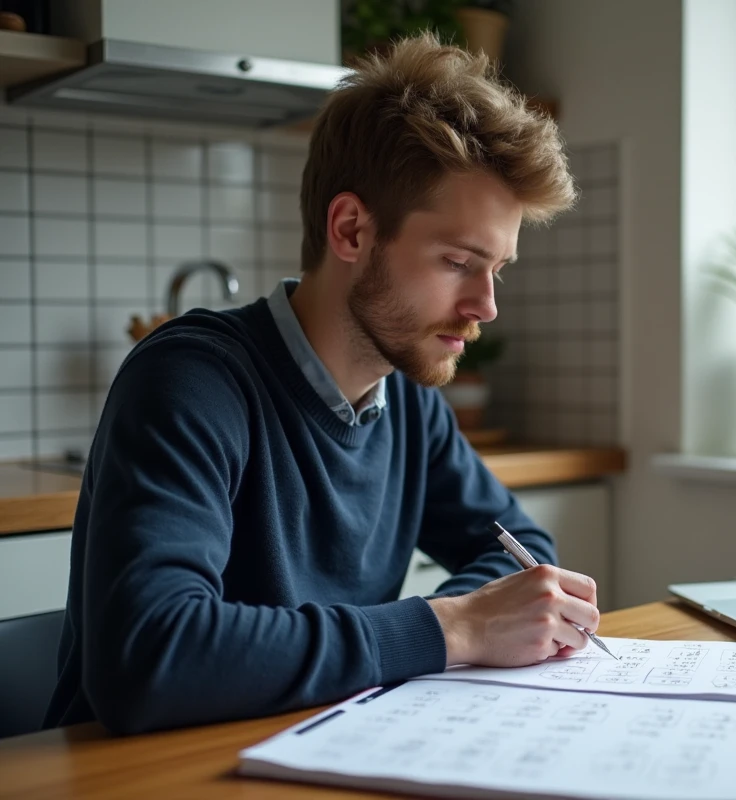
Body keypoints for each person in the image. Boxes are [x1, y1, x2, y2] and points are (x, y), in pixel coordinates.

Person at [43, 33, 596, 736]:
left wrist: (472, 621)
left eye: (498, 270)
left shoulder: (408, 403)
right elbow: (150, 655)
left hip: (313, 744)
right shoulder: (190, 380)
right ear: (351, 229)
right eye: (459, 262)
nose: (487, 305)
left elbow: (519, 547)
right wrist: (453, 628)